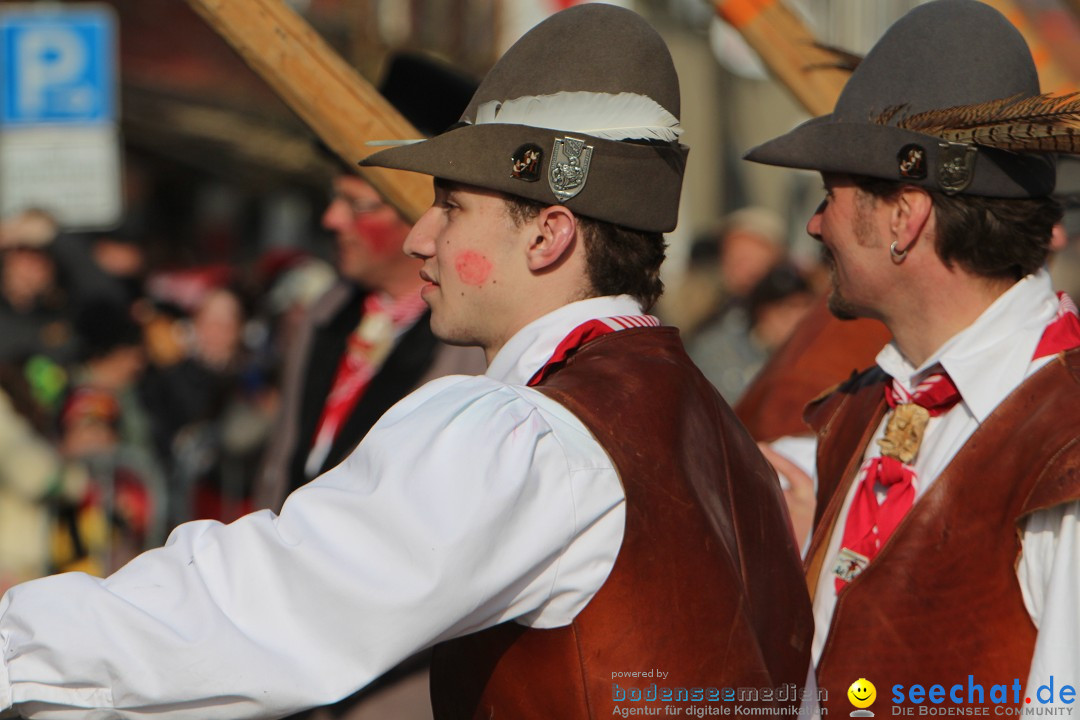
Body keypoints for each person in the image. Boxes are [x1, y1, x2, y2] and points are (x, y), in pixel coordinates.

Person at [0, 6, 810, 718]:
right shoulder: (708, 420)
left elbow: (266, 602)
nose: (422, 236)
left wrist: (15, 647)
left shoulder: (529, 435)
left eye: (453, 207)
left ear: (548, 234)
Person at [744, 0, 1080, 712]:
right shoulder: (869, 402)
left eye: (828, 193)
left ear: (905, 216)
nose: (813, 223)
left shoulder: (1067, 444)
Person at [253, 51, 485, 514]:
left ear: (422, 208)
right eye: (333, 198)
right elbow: (283, 468)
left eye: (358, 204)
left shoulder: (471, 346)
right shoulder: (326, 313)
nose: (331, 218)